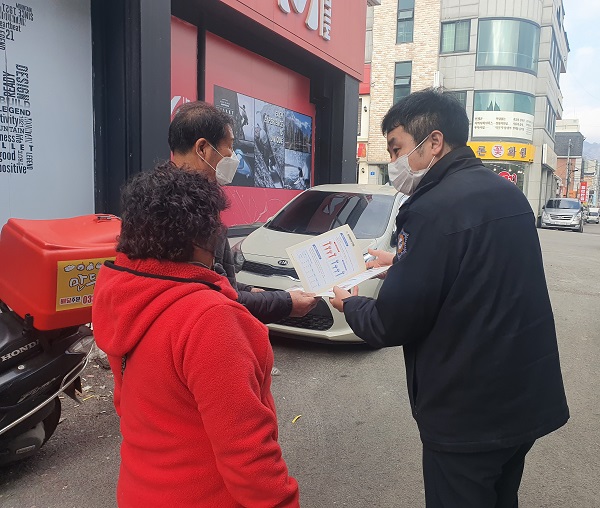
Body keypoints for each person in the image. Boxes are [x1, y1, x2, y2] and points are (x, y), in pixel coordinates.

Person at [329, 88, 569, 507]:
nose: (394, 162)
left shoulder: (432, 208)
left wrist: (351, 304)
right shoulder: (506, 193)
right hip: (524, 397)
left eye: (397, 148)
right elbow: (479, 269)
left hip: (468, 413)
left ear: (434, 141)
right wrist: (402, 260)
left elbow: (391, 321)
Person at [92, 163, 300, 508]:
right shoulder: (210, 319)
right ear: (200, 238)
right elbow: (248, 457)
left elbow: (126, 405)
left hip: (139, 489)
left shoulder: (123, 294)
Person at [169, 100, 319, 323]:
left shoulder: (167, 199)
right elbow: (215, 296)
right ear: (203, 149)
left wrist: (247, 289)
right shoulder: (186, 214)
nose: (234, 156)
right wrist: (286, 303)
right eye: (230, 146)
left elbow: (214, 280)